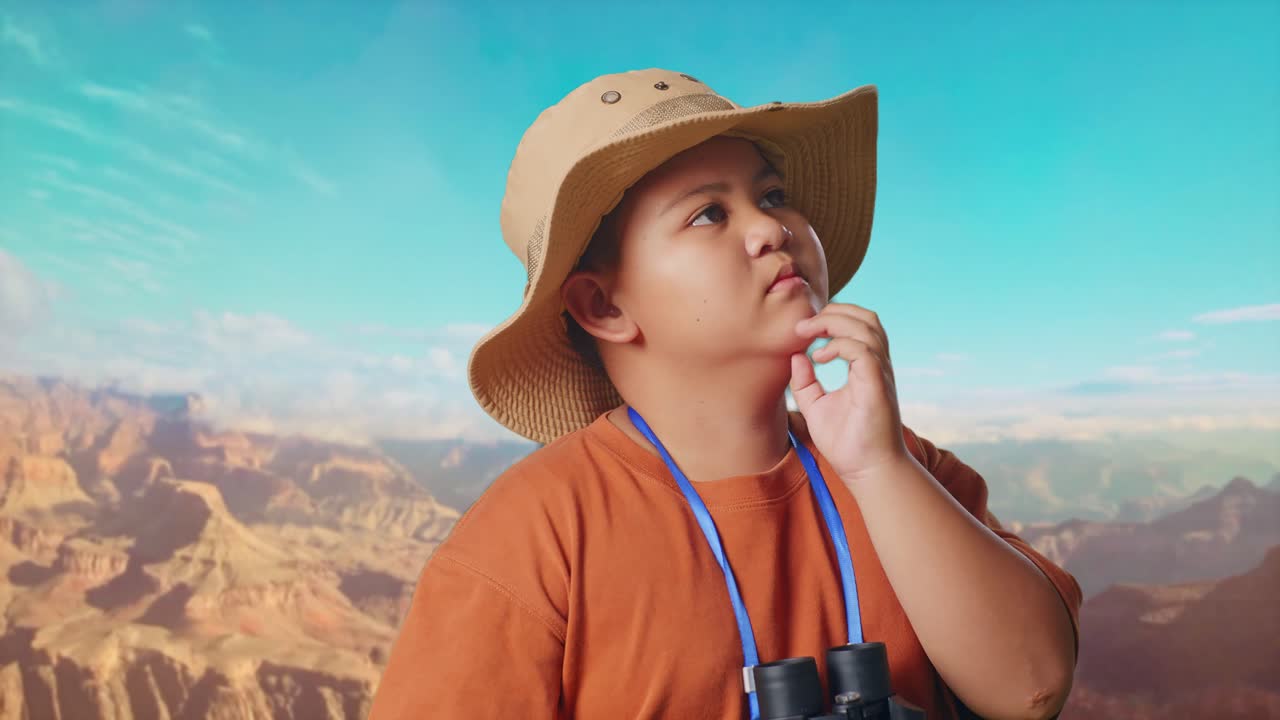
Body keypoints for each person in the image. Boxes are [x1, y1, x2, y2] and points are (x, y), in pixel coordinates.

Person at [369, 68, 1081, 720]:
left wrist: (880, 469)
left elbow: (1031, 688)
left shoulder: (907, 471)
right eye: (709, 214)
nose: (772, 227)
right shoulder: (535, 538)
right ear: (603, 306)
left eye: (772, 196)